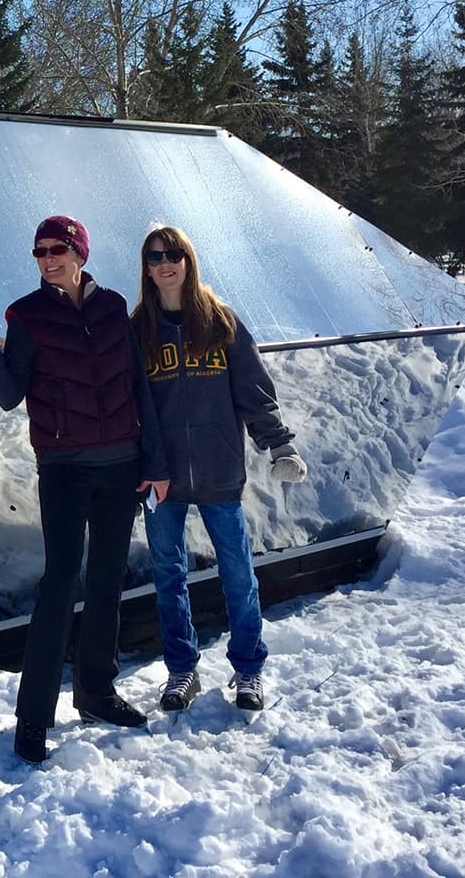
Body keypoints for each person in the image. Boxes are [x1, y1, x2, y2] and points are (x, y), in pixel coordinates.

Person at [0, 215, 171, 765]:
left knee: (108, 580)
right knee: (60, 584)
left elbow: (138, 387)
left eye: (57, 249)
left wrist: (153, 460)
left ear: (80, 252)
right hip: (63, 468)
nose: (47, 259)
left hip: (122, 464)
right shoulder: (27, 315)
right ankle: (32, 717)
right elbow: (10, 393)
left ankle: (96, 691)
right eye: (38, 251)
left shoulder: (113, 309)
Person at [130, 226, 308, 717]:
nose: (164, 264)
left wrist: (280, 447)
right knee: (169, 576)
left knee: (237, 574)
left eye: (173, 255)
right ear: (145, 267)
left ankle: (248, 669)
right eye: (153, 257)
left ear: (188, 260)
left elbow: (252, 390)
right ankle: (181, 670)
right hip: (162, 480)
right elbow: (130, 406)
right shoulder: (138, 330)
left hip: (218, 472)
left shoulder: (220, 321)